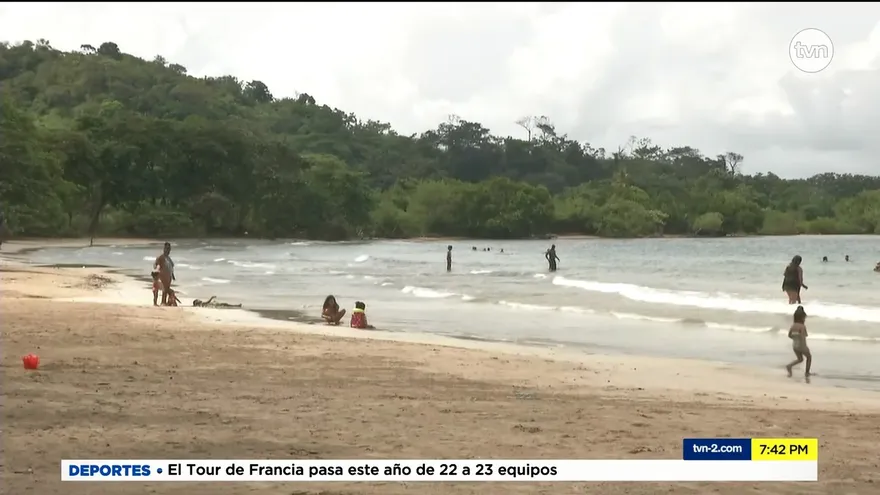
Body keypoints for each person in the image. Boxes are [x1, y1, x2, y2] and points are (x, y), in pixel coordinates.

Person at [785, 306, 812, 377]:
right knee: (809, 357)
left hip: (794, 345)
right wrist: (805, 347)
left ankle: (789, 366)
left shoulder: (793, 326)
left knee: (800, 359)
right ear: (802, 318)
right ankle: (807, 372)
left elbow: (789, 335)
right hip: (802, 345)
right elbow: (804, 335)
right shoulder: (802, 326)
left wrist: (796, 337)